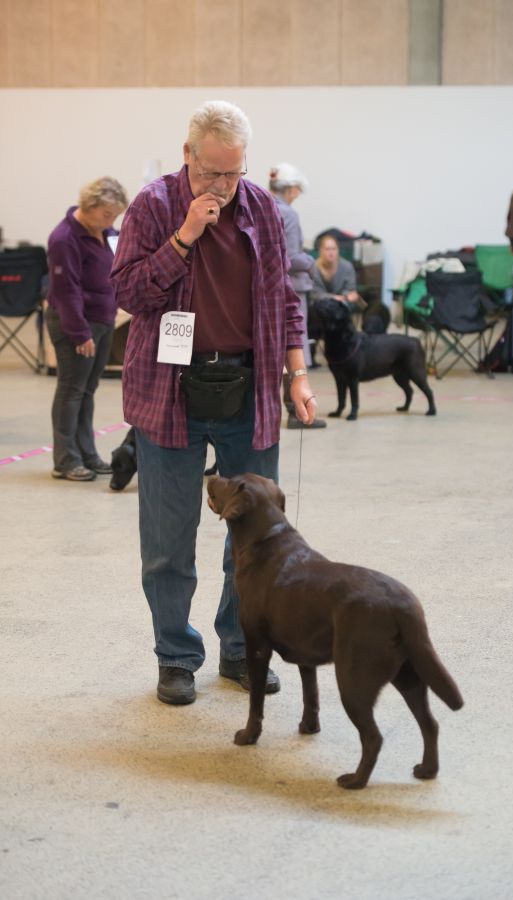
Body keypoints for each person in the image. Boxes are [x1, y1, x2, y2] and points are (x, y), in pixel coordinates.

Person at [111, 99, 319, 705]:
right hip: (169, 392)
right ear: (188, 157)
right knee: (168, 541)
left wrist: (297, 374)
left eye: (234, 173)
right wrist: (185, 236)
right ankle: (175, 656)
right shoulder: (153, 205)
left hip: (249, 390)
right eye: (211, 175)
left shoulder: (265, 210)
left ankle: (240, 649)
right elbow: (127, 291)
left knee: (255, 539)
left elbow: (286, 297)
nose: (223, 187)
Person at [47, 176, 128, 481]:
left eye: (116, 215)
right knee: (71, 390)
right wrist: (79, 333)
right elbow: (66, 291)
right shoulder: (64, 238)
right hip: (75, 323)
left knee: (87, 391)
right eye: (108, 214)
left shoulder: (105, 232)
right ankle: (66, 460)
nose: (112, 221)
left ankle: (87, 454)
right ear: (90, 206)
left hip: (103, 319)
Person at [269, 162, 326, 429]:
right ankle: (297, 412)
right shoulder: (288, 214)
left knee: (277, 351)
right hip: (291, 288)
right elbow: (291, 257)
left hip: (269, 289)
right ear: (291, 189)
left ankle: (289, 409)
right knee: (295, 347)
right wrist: (312, 262)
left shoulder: (263, 207)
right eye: (296, 192)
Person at [312, 233, 366, 315]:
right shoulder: (313, 268)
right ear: (320, 250)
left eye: (334, 249)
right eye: (327, 249)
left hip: (342, 306)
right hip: (319, 307)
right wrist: (333, 297)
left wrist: (346, 296)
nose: (331, 252)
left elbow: (350, 290)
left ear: (338, 250)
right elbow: (313, 293)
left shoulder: (347, 267)